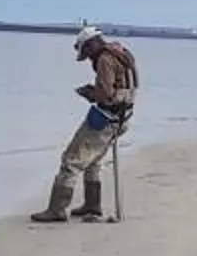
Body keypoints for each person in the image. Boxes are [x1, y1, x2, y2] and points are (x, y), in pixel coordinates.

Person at [32, 25, 139, 223]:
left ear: (91, 45)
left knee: (71, 160)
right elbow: (124, 87)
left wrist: (90, 93)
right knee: (93, 161)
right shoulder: (121, 53)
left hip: (106, 119)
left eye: (87, 52)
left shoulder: (105, 60)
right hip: (123, 118)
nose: (88, 57)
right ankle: (92, 204)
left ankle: (57, 209)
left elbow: (106, 94)